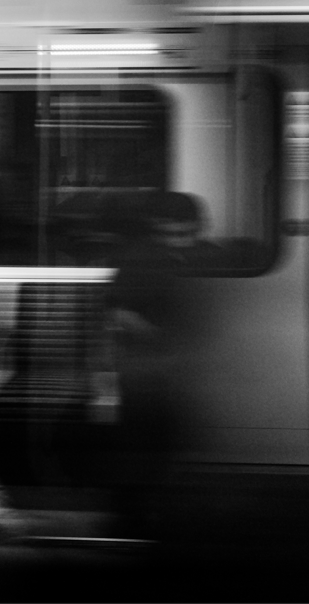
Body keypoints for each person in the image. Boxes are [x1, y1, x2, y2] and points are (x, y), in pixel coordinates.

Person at [102, 191, 220, 538]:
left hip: (188, 367)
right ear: (156, 229)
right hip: (146, 368)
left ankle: (173, 513)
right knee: (142, 444)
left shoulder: (211, 258)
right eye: (172, 234)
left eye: (187, 234)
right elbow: (118, 312)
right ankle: (132, 516)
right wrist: (159, 336)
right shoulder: (138, 260)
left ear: (200, 227)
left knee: (173, 443)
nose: (181, 242)